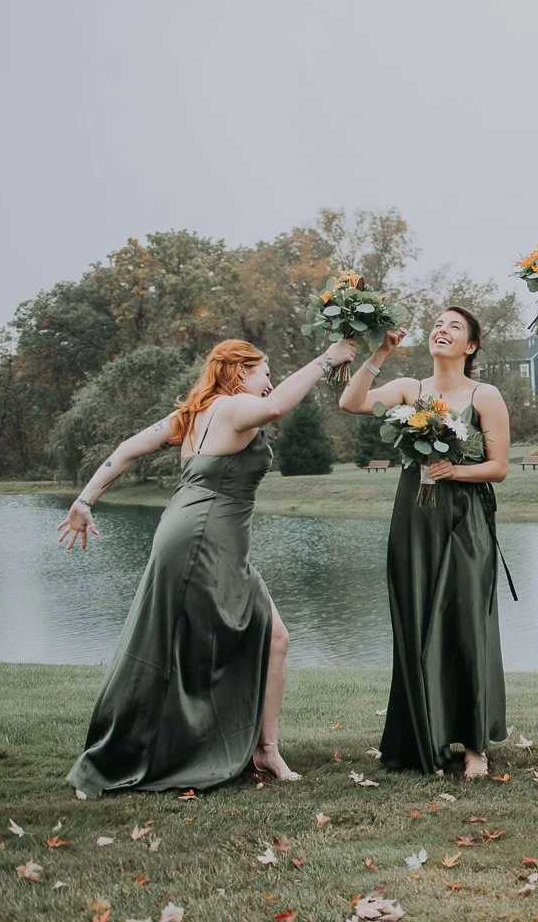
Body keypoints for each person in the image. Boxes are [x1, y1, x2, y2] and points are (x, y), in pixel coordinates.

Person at [62, 337, 357, 797]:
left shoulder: (195, 413)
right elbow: (278, 408)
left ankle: (266, 749)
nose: (270, 381)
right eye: (264, 371)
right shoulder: (232, 407)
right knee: (177, 649)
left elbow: (125, 448)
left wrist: (85, 499)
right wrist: (326, 360)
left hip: (205, 537)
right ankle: (137, 750)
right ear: (239, 373)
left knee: (275, 638)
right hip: (203, 540)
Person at [338, 308, 513, 779]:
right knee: (415, 622)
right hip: (414, 516)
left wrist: (455, 470)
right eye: (438, 323)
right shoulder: (409, 390)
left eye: (455, 326)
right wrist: (381, 352)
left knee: (466, 620)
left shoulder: (485, 395)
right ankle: (423, 736)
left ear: (471, 346)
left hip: (465, 518)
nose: (442, 329)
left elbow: (498, 466)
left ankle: (475, 746)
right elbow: (350, 403)